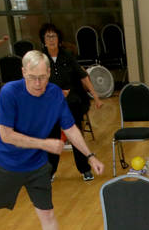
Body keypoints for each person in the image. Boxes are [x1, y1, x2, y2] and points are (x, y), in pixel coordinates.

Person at [0, 50, 104, 230]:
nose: (38, 83)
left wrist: (90, 156)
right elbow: (6, 135)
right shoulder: (9, 93)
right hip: (7, 162)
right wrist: (44, 143)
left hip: (36, 165)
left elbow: (71, 128)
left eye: (43, 77)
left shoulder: (55, 94)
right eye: (33, 77)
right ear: (23, 72)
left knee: (47, 212)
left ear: (49, 73)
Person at [39, 23, 104, 182]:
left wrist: (95, 96)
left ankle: (85, 169)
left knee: (76, 135)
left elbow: (82, 76)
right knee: (52, 137)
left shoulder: (67, 55)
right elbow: (36, 81)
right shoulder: (40, 58)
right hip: (49, 103)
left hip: (71, 101)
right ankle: (50, 171)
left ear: (59, 39)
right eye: (48, 36)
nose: (51, 39)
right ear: (44, 40)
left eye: (54, 36)